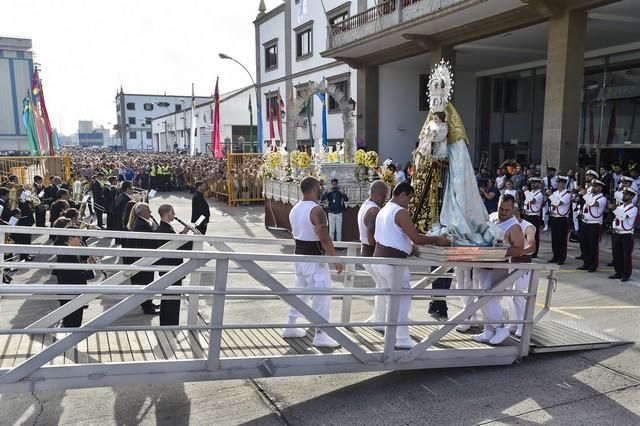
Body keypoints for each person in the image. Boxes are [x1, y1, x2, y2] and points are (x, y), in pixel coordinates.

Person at [371, 182, 449, 349]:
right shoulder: (399, 211)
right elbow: (417, 237)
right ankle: (402, 338)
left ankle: (392, 334)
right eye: (409, 198)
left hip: (379, 260)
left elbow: (393, 235)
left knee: (390, 300)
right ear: (403, 195)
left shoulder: (383, 210)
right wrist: (437, 239)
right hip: (393, 263)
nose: (409, 202)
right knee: (402, 300)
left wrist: (406, 246)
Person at [283, 176, 343, 348]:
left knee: (301, 292)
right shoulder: (317, 211)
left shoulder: (295, 209)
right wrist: (336, 259)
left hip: (299, 257)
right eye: (319, 187)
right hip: (314, 259)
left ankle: (291, 324)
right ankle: (321, 334)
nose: (321, 190)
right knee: (322, 296)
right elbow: (324, 237)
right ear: (314, 188)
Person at [472, 194, 524, 345]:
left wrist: (500, 252)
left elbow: (519, 250)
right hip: (483, 262)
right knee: (481, 297)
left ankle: (501, 328)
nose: (503, 212)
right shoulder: (493, 216)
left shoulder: (514, 227)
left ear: (512, 209)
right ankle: (488, 331)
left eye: (507, 210)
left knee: (489, 298)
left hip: (499, 265)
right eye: (501, 208)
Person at [357, 180, 388, 329]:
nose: (386, 199)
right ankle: (381, 321)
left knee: (381, 288)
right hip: (372, 253)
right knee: (386, 289)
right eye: (385, 195)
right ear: (380, 194)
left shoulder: (365, 205)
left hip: (366, 253)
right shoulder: (374, 211)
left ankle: (378, 318)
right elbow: (372, 238)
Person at [52, 226, 95, 327]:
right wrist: (91, 268)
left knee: (73, 321)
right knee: (73, 322)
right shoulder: (67, 254)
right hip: (70, 294)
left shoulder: (70, 250)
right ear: (70, 238)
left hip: (71, 292)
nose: (81, 239)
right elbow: (76, 276)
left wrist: (87, 261)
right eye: (78, 237)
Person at [155, 204, 189, 325]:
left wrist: (184, 232)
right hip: (171, 269)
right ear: (167, 213)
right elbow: (177, 246)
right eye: (172, 212)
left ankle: (166, 322)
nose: (174, 214)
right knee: (172, 299)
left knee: (167, 298)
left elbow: (173, 241)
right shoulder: (165, 229)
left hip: (168, 268)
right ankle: (170, 324)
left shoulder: (164, 227)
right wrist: (195, 241)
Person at [509, 207, 536, 337]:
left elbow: (532, 245)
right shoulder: (509, 225)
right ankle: (514, 323)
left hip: (523, 262)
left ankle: (523, 326)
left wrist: (520, 251)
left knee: (518, 295)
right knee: (510, 295)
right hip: (511, 262)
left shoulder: (527, 226)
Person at [129, 203, 160, 314]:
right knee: (146, 282)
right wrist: (155, 231)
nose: (151, 213)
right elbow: (148, 242)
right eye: (148, 211)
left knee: (148, 281)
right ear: (143, 212)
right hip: (145, 258)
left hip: (145, 257)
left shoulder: (142, 222)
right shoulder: (141, 224)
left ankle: (149, 303)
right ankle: (147, 307)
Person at [578, 179, 606, 272]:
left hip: (594, 224)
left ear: (600, 188)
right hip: (585, 222)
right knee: (584, 244)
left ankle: (593, 265)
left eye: (596, 186)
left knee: (592, 246)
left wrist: (585, 195)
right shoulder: (589, 196)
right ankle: (586, 263)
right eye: (593, 186)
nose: (594, 188)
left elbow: (594, 204)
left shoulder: (602, 199)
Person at [610, 187, 637, 282]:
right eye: (623, 193)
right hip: (617, 232)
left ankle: (626, 273)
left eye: (626, 194)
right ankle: (618, 272)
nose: (624, 195)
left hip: (626, 234)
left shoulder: (634, 208)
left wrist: (614, 209)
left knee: (626, 255)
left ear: (632, 196)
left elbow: (623, 216)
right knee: (616, 254)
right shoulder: (620, 207)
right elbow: (615, 218)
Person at [548, 176, 572, 265]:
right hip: (554, 217)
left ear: (563, 184)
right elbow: (552, 203)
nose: (557, 184)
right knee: (555, 239)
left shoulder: (567, 194)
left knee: (561, 239)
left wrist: (550, 195)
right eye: (557, 182)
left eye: (559, 182)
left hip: (562, 218)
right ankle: (555, 256)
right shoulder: (555, 193)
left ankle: (562, 258)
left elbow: (558, 203)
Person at [522, 177, 543, 258]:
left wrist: (526, 191)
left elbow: (532, 201)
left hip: (534, 216)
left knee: (534, 235)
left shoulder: (539, 194)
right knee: (526, 234)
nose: (532, 184)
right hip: (527, 214)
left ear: (538, 184)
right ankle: (527, 250)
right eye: (531, 183)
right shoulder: (530, 192)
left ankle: (534, 252)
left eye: (534, 183)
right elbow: (526, 202)